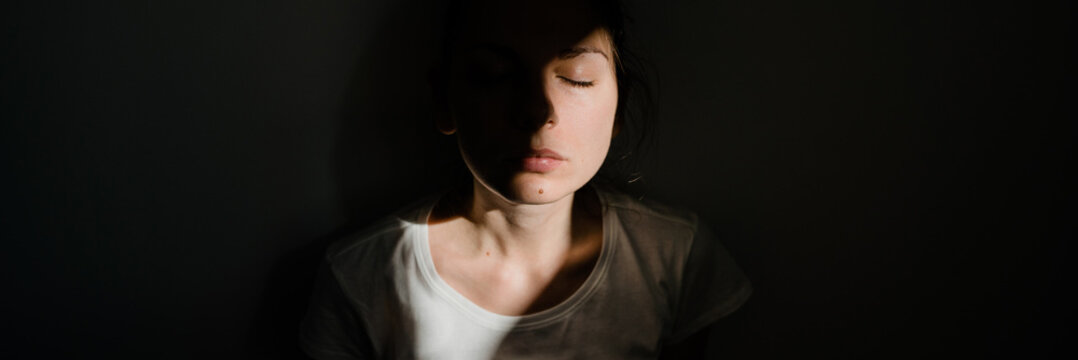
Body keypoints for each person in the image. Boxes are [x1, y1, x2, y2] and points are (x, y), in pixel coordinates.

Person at [300, 0, 751, 358]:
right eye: (494, 75)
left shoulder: (676, 258)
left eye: (575, 79)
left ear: (620, 103)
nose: (538, 111)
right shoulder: (359, 280)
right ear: (444, 100)